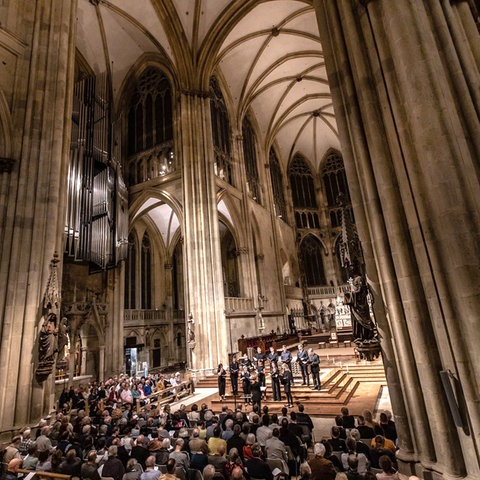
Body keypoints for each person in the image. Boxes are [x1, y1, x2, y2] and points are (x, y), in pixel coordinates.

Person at [344, 276, 375, 341]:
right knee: (358, 323)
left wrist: (350, 294)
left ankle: (365, 336)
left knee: (363, 322)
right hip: (357, 307)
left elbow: (360, 290)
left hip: (360, 305)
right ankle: (361, 336)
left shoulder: (359, 278)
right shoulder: (356, 279)